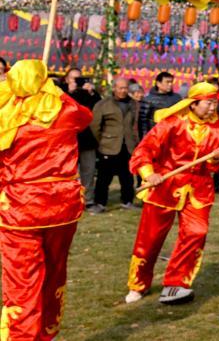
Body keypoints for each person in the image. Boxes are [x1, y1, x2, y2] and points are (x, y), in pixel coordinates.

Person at [0, 60, 93, 340]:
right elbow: (85, 117)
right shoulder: (64, 111)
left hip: (20, 210)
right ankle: (46, 333)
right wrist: (57, 92)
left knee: (22, 282)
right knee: (54, 272)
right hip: (61, 208)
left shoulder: (5, 115)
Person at [125, 82, 219, 305]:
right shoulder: (172, 123)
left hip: (198, 190)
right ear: (194, 103)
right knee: (150, 240)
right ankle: (138, 284)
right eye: (209, 103)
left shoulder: (217, 128)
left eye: (215, 103)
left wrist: (217, 158)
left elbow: (216, 169)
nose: (212, 108)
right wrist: (149, 173)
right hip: (165, 186)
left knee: (196, 233)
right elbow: (144, 149)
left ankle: (176, 284)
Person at [89, 77, 140, 212]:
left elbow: (136, 124)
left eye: (125, 88)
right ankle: (100, 203)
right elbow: (95, 126)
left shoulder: (133, 104)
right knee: (104, 178)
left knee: (127, 177)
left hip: (127, 146)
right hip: (108, 146)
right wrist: (102, 142)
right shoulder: (103, 105)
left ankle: (127, 201)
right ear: (114, 88)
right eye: (120, 88)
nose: (123, 91)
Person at [70, 73, 102, 208]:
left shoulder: (89, 94)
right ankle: (71, 200)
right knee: (70, 173)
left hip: (88, 138)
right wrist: (70, 92)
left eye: (80, 79)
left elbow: (98, 107)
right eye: (74, 78)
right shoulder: (59, 92)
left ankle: (87, 200)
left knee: (88, 171)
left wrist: (93, 93)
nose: (78, 82)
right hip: (69, 140)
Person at [138, 71, 179, 140]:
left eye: (171, 82)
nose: (170, 84)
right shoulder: (148, 99)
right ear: (158, 83)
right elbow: (143, 120)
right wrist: (145, 136)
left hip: (173, 135)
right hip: (155, 135)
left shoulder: (177, 98)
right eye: (167, 82)